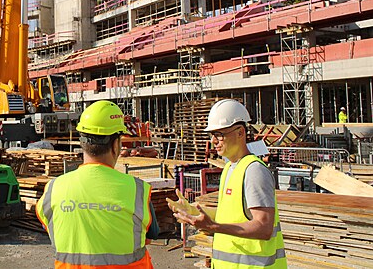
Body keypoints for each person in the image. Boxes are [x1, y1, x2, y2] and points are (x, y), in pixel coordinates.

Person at [36, 100, 158, 268]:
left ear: (82, 143)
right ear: (116, 145)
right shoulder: (137, 190)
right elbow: (149, 236)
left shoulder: (53, 189)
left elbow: (49, 226)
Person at [167, 99, 286, 268]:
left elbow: (263, 227)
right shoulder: (229, 168)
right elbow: (230, 215)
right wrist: (192, 211)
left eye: (220, 134)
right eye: (212, 135)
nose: (214, 141)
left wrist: (214, 227)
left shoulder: (253, 171)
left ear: (240, 132)